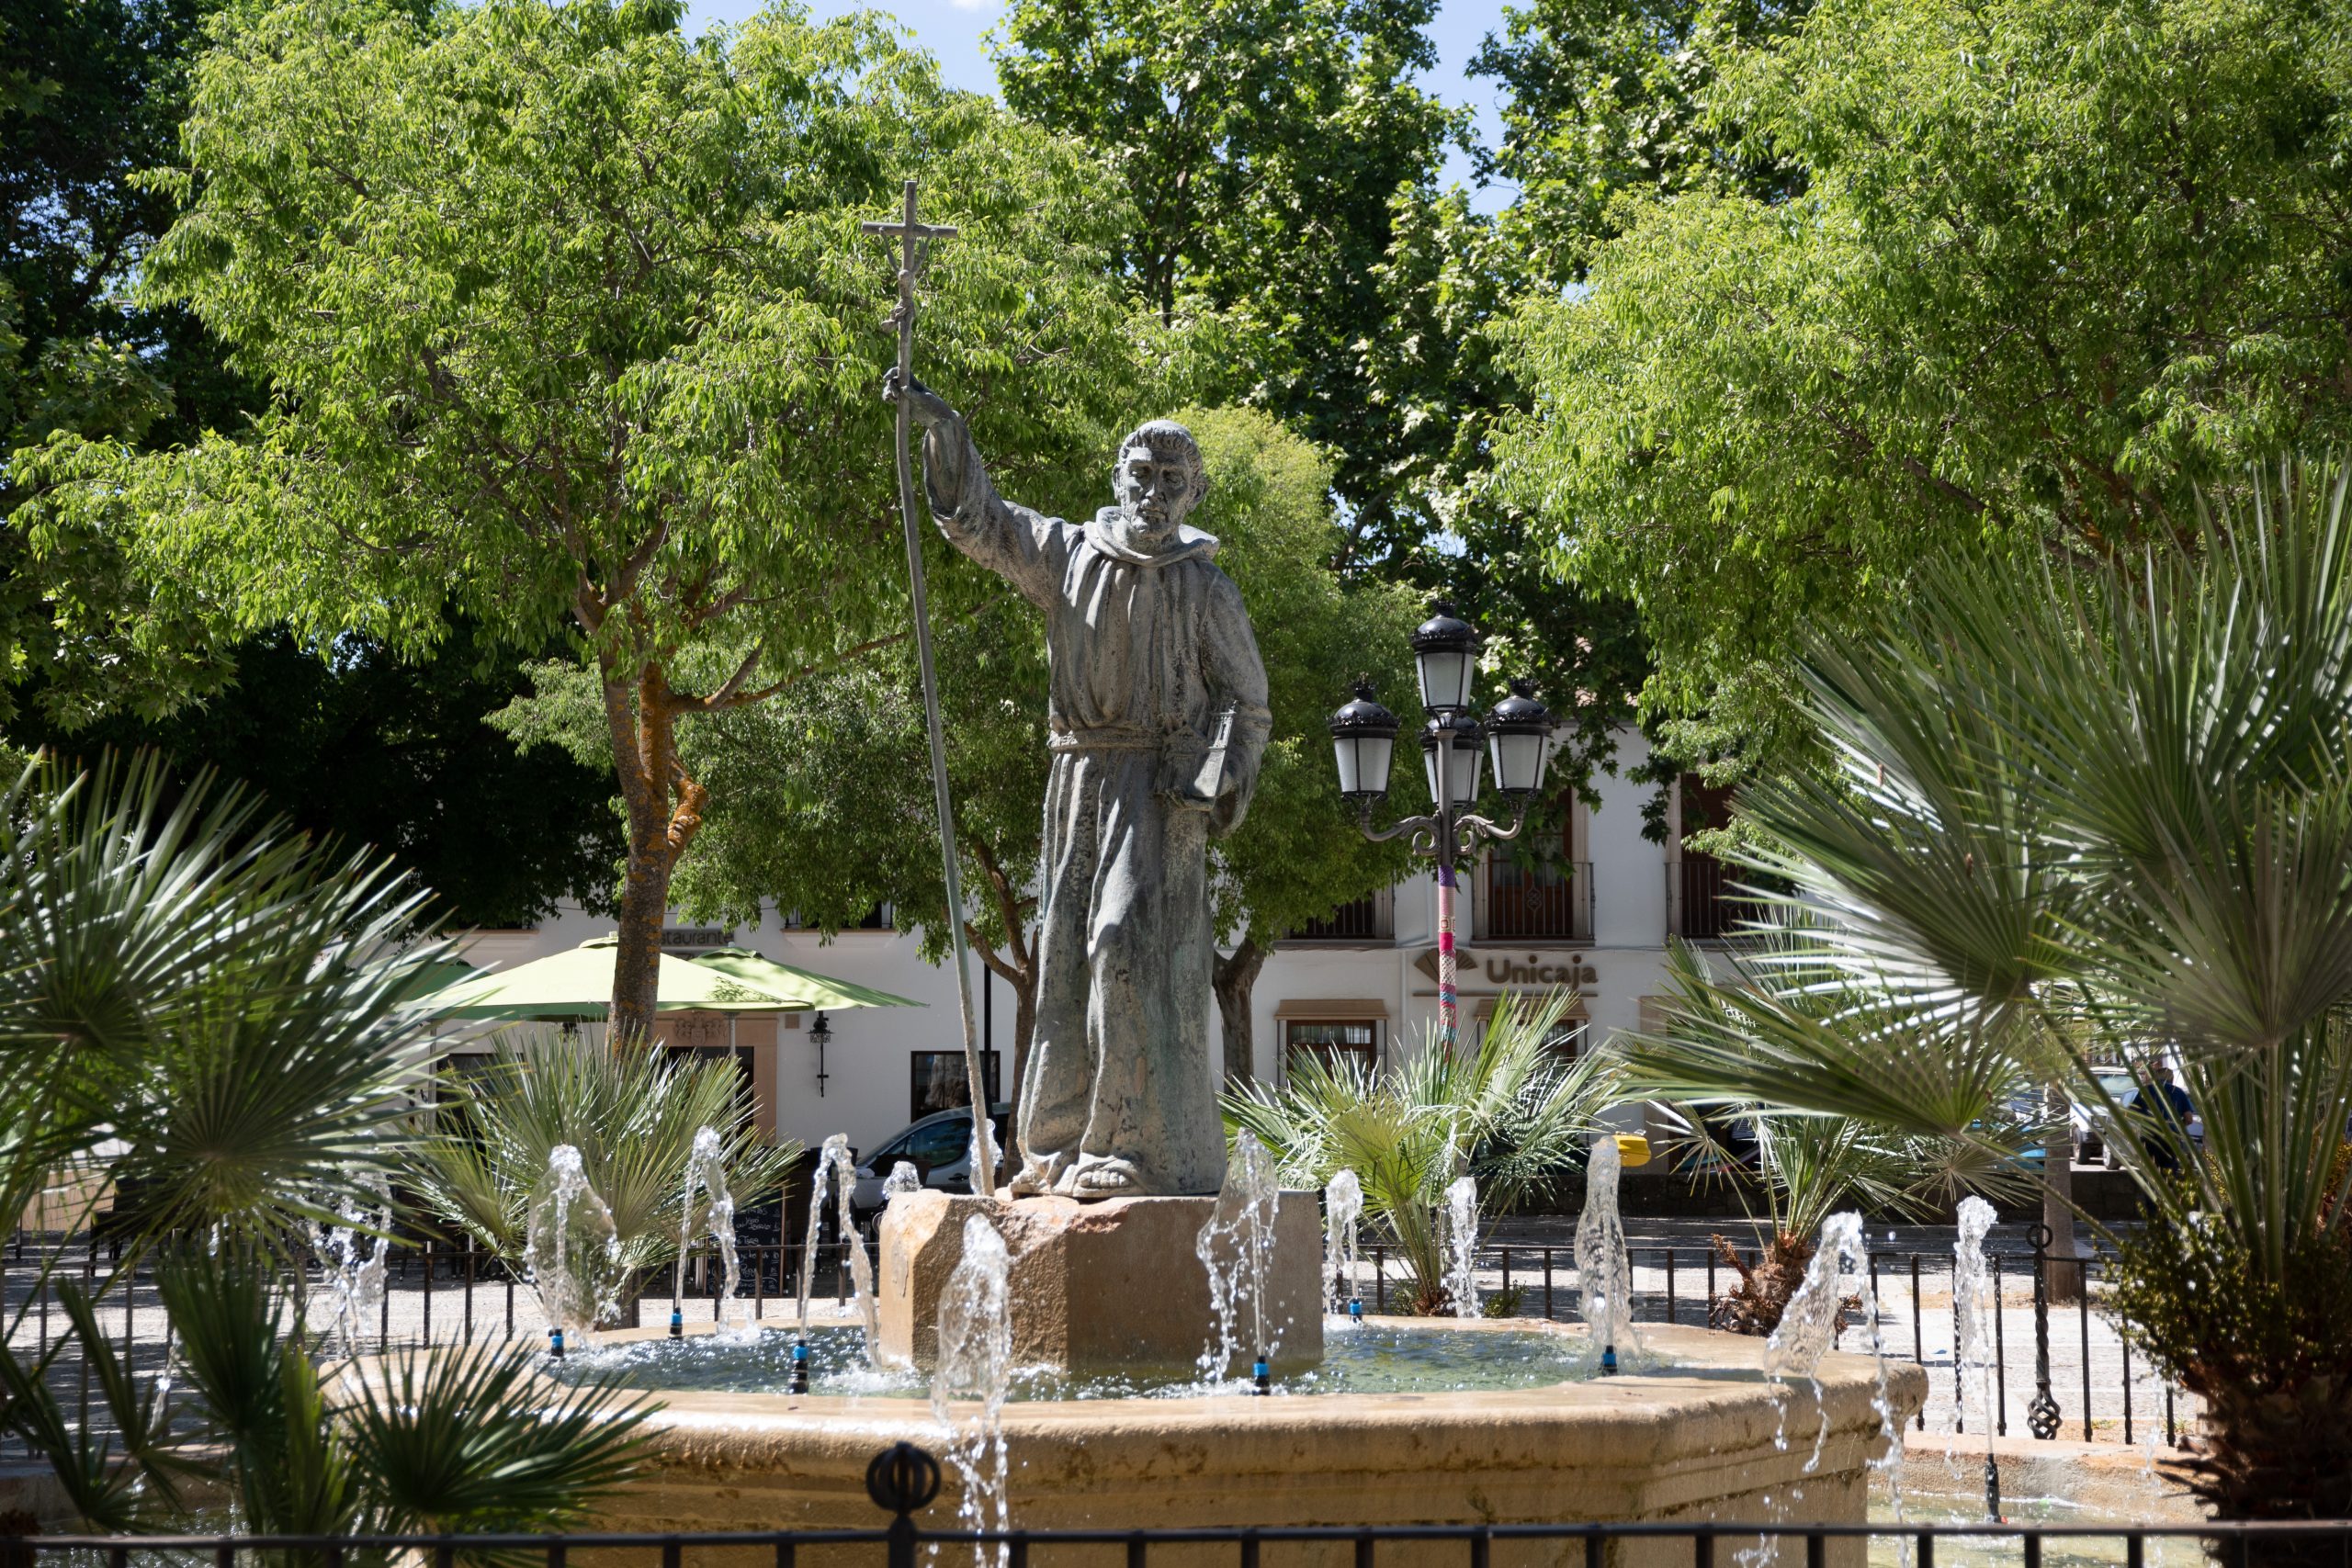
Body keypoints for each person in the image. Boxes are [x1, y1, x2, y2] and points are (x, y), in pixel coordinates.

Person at [884, 370, 1271, 1200]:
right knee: (1063, 965)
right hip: (1079, 779)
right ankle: (1056, 1146)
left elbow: (1250, 703)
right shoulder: (1068, 554)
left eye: (1174, 482)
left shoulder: (1208, 586)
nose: (1155, 494)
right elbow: (981, 524)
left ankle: (1127, 1145)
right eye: (1142, 475)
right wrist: (947, 433)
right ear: (1117, 478)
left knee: (1120, 942)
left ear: (1194, 491)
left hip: (1160, 795)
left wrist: (1212, 776)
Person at [2133, 1064, 2194, 1173]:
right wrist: (2177, 1126)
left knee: (2150, 1170)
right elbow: (2189, 1119)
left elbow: (2132, 1112)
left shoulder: (2146, 1090)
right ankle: (2169, 1187)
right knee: (2169, 1170)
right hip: (2171, 1136)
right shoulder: (2179, 1092)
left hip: (2149, 1136)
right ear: (2172, 1078)